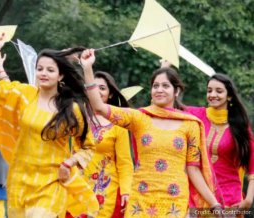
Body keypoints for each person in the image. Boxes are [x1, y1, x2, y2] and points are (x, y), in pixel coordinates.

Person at [79, 49, 222, 217]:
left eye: (165, 86)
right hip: (140, 199)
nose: (159, 90)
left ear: (176, 91)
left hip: (174, 203)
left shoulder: (190, 125)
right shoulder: (139, 117)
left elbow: (194, 170)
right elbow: (99, 106)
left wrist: (214, 204)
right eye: (155, 86)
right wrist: (87, 68)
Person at [0, 35, 98, 217]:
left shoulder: (71, 109)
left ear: (61, 75)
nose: (43, 73)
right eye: (39, 68)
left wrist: (69, 163)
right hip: (19, 181)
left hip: (51, 184)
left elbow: (88, 146)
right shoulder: (25, 95)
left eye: (50, 70)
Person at [67, 71, 134, 217]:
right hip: (76, 185)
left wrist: (126, 191)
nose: (96, 91)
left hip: (106, 190)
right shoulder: (76, 116)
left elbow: (125, 163)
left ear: (110, 94)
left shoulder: (118, 123)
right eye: (93, 86)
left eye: (102, 88)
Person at [185, 73, 254, 208]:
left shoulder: (239, 125)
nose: (212, 94)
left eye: (219, 91)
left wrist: (249, 200)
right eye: (209, 90)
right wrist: (165, 73)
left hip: (229, 200)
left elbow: (252, 162)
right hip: (198, 197)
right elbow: (169, 107)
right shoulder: (196, 115)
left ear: (229, 96)